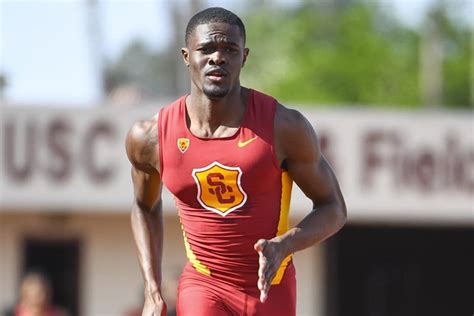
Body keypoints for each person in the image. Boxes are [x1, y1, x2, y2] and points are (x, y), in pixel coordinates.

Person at [125, 7, 346, 316]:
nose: (218, 57)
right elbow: (144, 206)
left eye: (229, 49)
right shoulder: (150, 137)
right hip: (204, 283)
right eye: (207, 49)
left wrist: (284, 245)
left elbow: (333, 206)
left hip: (270, 285)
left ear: (244, 57)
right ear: (186, 56)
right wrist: (152, 289)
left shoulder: (282, 126)